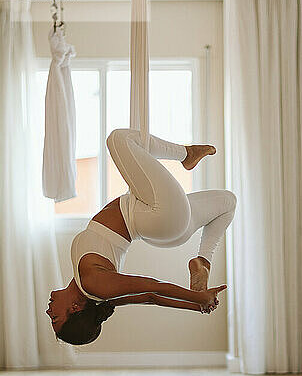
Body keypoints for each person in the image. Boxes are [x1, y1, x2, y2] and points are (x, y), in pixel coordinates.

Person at [46, 128, 237, 345]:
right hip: (159, 216)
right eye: (55, 317)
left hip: (162, 229)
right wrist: (197, 298)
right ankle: (186, 155)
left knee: (227, 202)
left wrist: (197, 305)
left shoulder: (100, 294)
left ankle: (203, 260)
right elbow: (151, 287)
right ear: (74, 309)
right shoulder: (93, 284)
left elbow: (151, 298)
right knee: (118, 139)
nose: (48, 311)